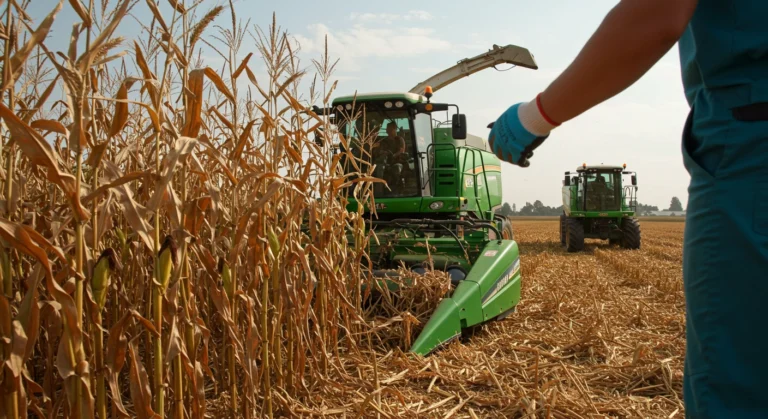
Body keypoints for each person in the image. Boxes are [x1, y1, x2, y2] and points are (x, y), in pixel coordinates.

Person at [487, 1, 768, 417]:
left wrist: (536, 116)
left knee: (737, 378)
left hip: (751, 141)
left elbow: (657, 13)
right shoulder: (575, 218)